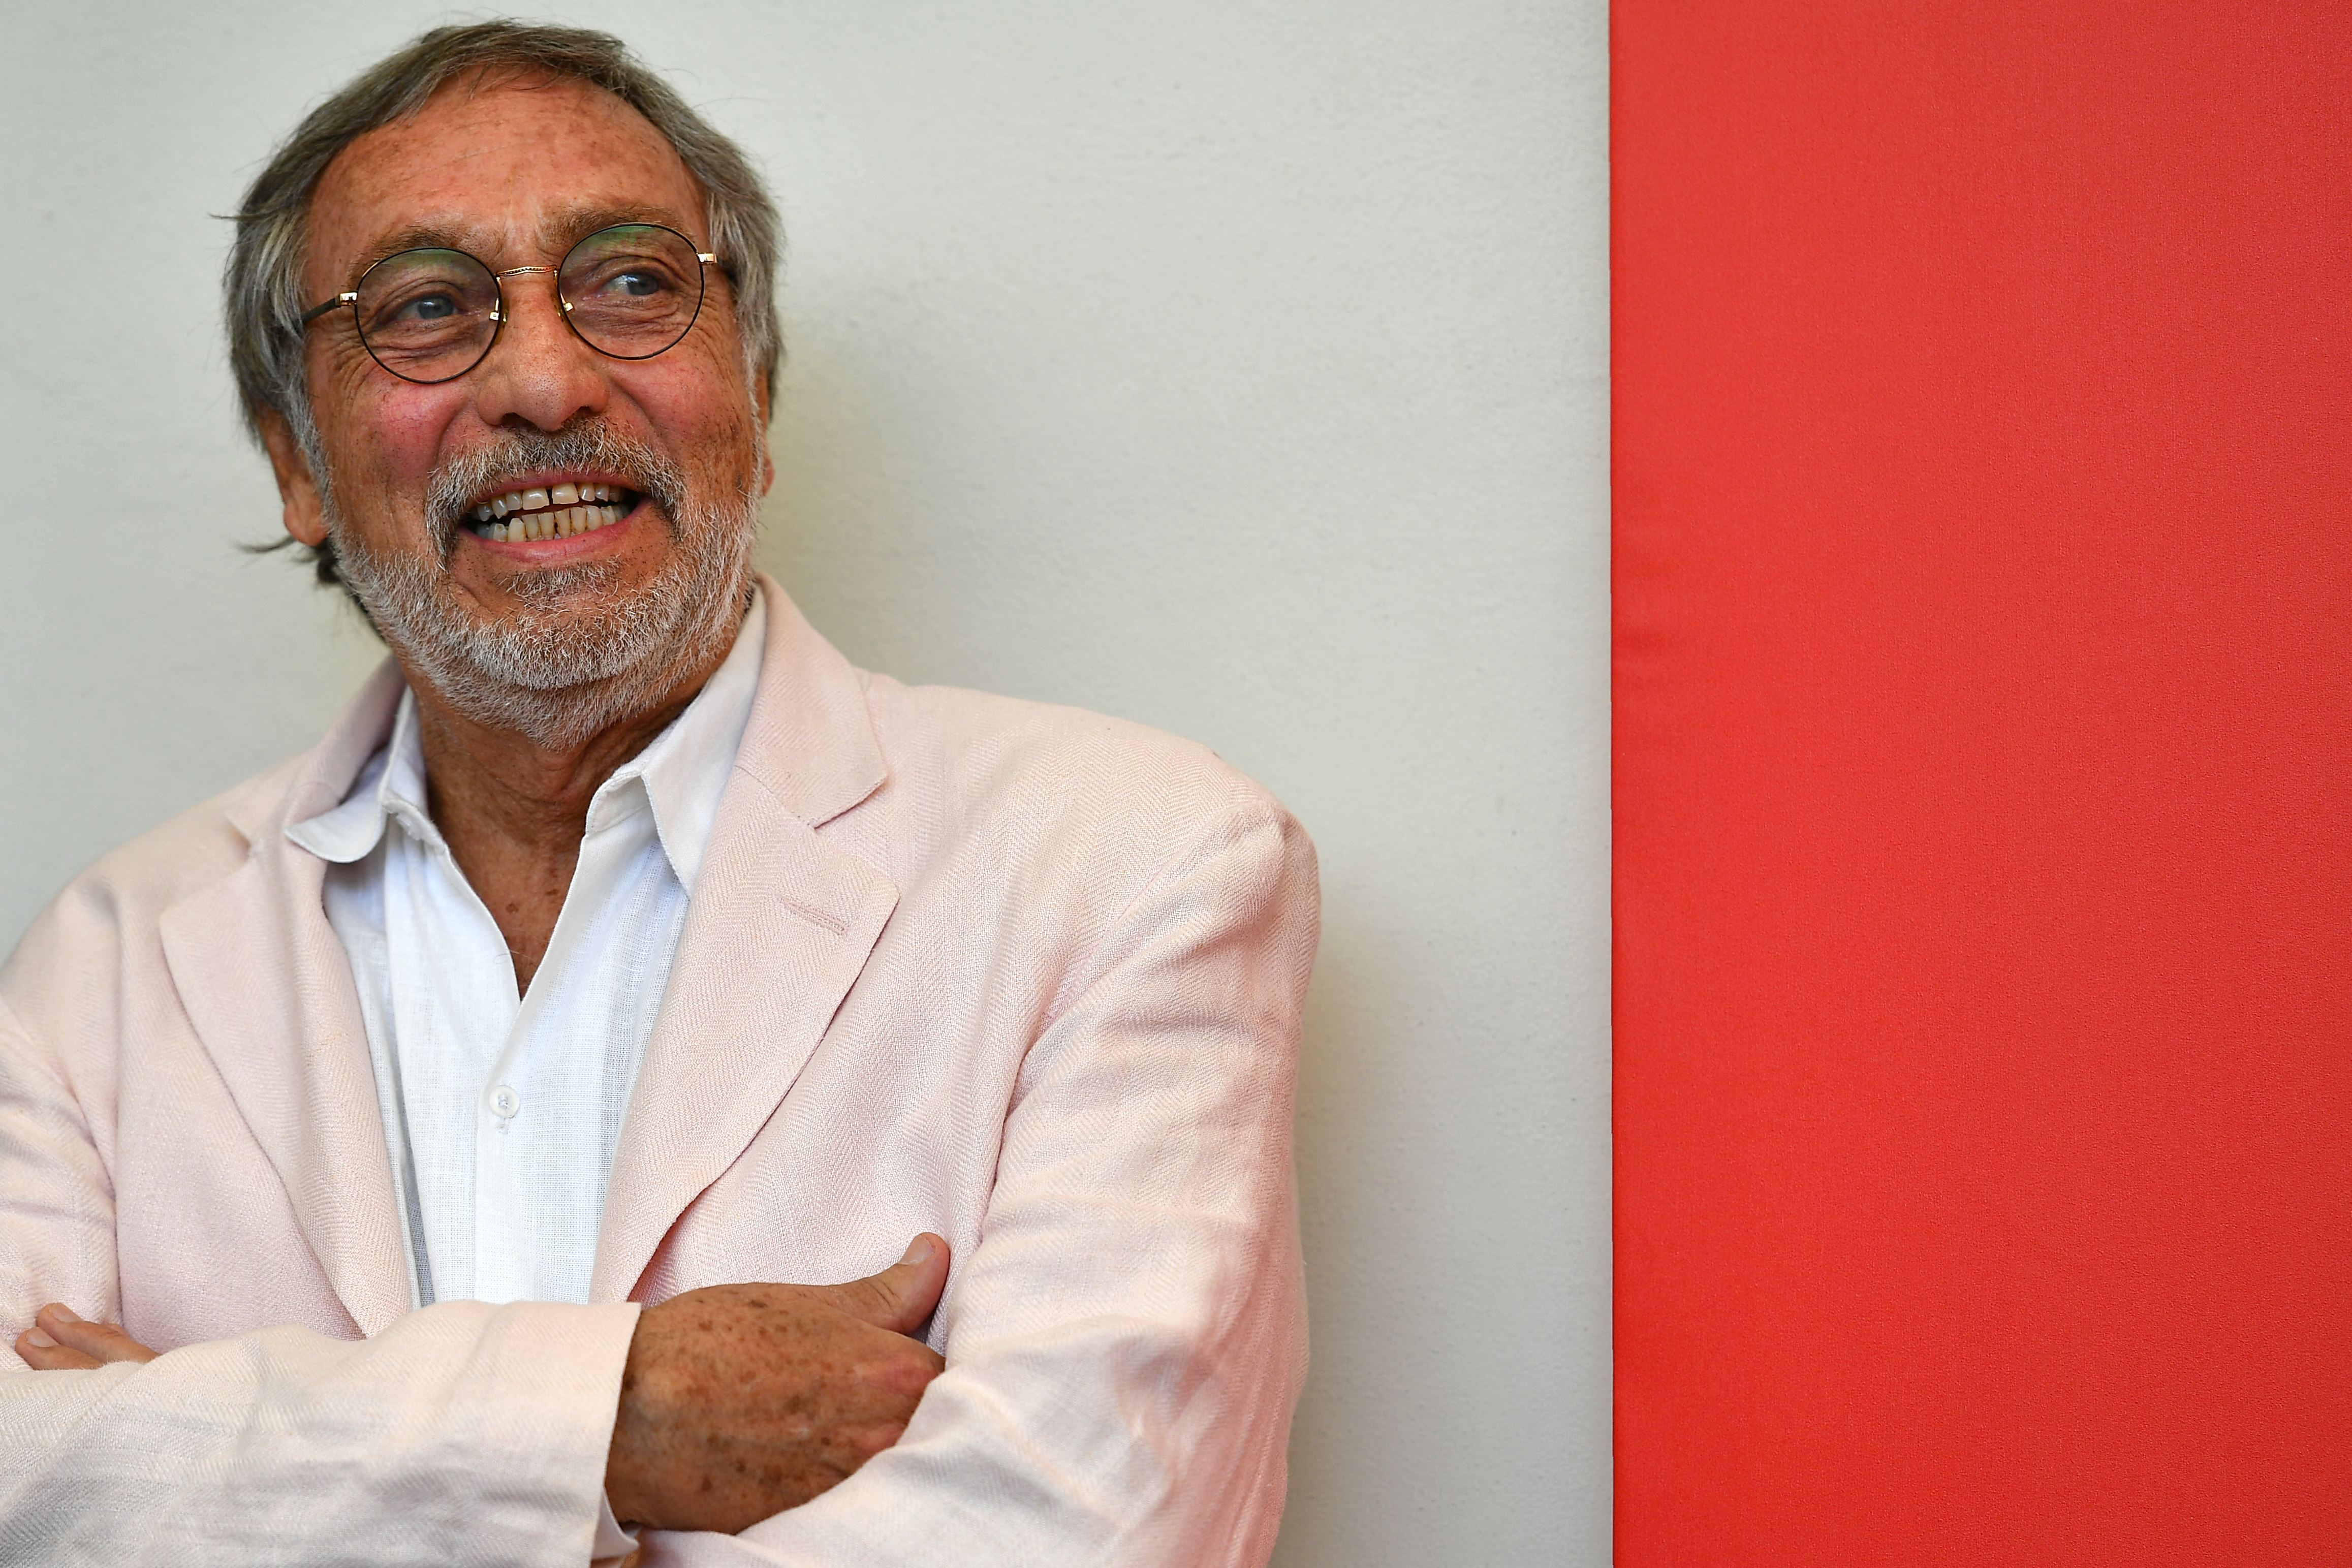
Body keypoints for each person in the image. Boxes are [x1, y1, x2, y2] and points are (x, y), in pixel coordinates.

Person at [0, 21, 1314, 1566]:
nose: (546, 381)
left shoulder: (1137, 866)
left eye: (632, 283)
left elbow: (1066, 1539)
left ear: (750, 394)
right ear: (297, 462)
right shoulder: (111, 954)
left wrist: (203, 1459)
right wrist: (616, 1430)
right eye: (426, 310)